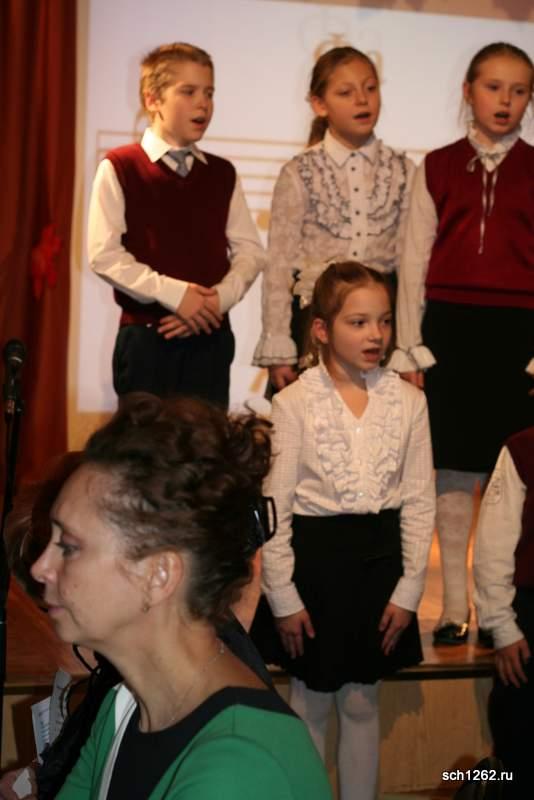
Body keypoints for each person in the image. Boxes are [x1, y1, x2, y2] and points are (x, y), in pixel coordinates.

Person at [8, 395, 332, 800]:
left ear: (159, 574)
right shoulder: (123, 707)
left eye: (69, 547)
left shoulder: (239, 764)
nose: (41, 568)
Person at [251, 262, 435, 800]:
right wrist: (283, 596)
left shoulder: (410, 402)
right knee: (309, 700)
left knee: (361, 700)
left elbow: (419, 501)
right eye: (358, 322)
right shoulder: (292, 404)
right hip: (316, 566)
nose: (376, 334)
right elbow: (275, 509)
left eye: (384, 321)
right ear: (321, 329)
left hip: (378, 566)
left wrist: (409, 590)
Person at [389, 42, 534, 645]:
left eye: (519, 91)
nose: (505, 100)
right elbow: (412, 260)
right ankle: (453, 607)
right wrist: (408, 346)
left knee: (511, 476)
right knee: (450, 471)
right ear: (468, 92)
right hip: (450, 329)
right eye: (493, 87)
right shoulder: (438, 165)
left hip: (520, 334)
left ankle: (499, 610)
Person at [88, 43, 266, 407]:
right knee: (146, 442)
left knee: (207, 441)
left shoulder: (221, 173)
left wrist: (215, 302)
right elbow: (104, 255)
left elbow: (250, 251)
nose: (203, 104)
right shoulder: (121, 166)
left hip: (210, 339)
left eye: (209, 93)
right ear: (152, 99)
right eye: (188, 92)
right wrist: (175, 295)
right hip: (148, 340)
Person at [253, 46, 415, 392]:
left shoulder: (403, 170)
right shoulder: (300, 172)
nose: (362, 100)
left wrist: (410, 344)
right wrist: (278, 346)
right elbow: (278, 266)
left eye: (370, 88)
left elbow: (411, 265)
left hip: (380, 328)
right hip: (317, 323)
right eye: (345, 92)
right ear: (319, 104)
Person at [474, 427, 534, 799]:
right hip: (529, 620)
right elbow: (493, 543)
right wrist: (502, 625)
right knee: (519, 752)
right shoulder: (523, 449)